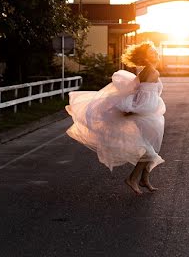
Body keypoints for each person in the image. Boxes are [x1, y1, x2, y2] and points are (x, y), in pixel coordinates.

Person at [65, 41, 166, 194]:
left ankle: (144, 180)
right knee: (148, 151)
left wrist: (133, 108)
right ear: (146, 57)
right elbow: (145, 98)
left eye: (155, 51)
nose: (156, 54)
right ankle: (132, 179)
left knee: (150, 146)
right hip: (144, 115)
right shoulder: (152, 72)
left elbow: (139, 93)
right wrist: (133, 110)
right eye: (153, 52)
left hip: (147, 114)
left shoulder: (145, 71)